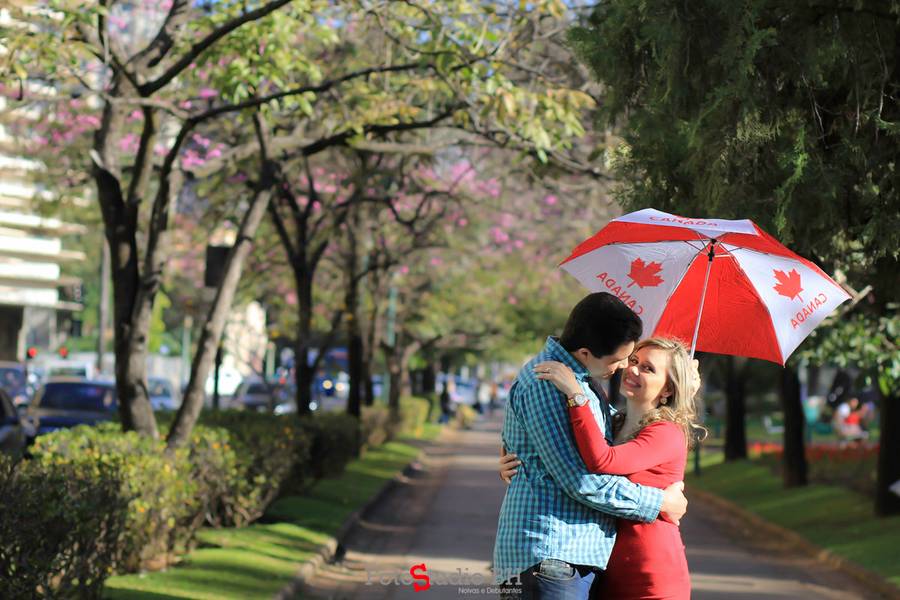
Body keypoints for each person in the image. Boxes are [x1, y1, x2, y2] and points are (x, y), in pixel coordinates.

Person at [492, 292, 691, 599]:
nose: (625, 366)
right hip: (552, 554)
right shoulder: (551, 383)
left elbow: (604, 439)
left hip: (572, 560)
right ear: (585, 352)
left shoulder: (580, 382)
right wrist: (660, 502)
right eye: (623, 359)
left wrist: (685, 386)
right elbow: (582, 480)